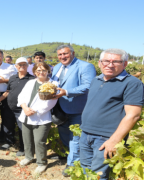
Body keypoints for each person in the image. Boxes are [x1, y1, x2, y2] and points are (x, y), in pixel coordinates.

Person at [80, 49, 144, 179]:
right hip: (85, 133)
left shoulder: (132, 83)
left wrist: (114, 140)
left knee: (98, 175)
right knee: (85, 170)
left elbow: (133, 115)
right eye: (106, 61)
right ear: (99, 63)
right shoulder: (96, 80)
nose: (110, 65)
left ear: (125, 64)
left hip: (105, 138)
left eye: (116, 61)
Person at [51, 45, 96, 176]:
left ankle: (71, 164)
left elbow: (88, 86)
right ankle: (69, 155)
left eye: (65, 54)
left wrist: (67, 92)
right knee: (64, 133)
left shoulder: (85, 66)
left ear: (72, 53)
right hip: (60, 108)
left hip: (78, 108)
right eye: (60, 54)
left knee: (75, 137)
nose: (62, 57)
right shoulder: (57, 67)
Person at [17, 62, 58, 174]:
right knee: (27, 138)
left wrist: (35, 111)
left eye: (44, 70)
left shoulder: (53, 84)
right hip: (26, 115)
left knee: (39, 141)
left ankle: (42, 163)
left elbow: (52, 102)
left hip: (41, 117)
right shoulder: (30, 82)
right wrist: (25, 108)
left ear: (48, 71)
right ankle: (29, 157)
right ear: (34, 72)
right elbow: (21, 96)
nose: (41, 72)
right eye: (38, 70)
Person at [0, 57, 35, 156]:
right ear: (16, 66)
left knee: (22, 128)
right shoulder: (12, 78)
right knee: (8, 125)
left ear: (28, 66)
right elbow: (8, 91)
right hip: (9, 106)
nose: (22, 66)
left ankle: (23, 147)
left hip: (22, 109)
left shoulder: (32, 79)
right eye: (20, 65)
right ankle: (9, 142)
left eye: (24, 64)